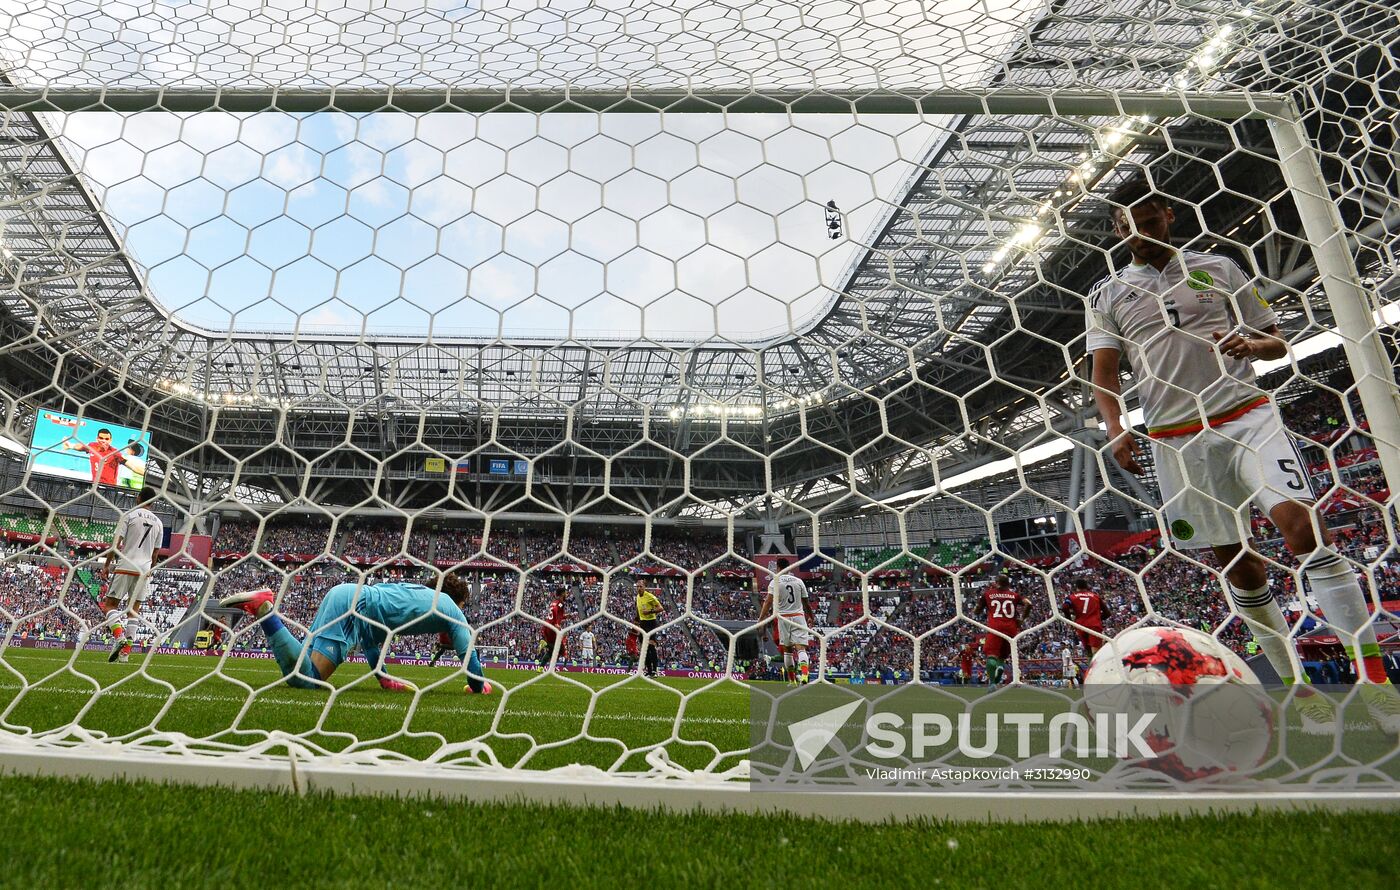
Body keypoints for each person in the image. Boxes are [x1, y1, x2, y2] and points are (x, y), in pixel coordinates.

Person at [1086, 180, 1400, 733]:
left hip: (1247, 415)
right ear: (1117, 230)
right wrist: (1116, 430)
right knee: (1237, 563)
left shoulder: (1221, 267)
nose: (1139, 230)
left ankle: (1375, 681)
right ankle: (1301, 692)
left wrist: (1252, 346)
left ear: (1169, 214)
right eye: (1126, 223)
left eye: (1148, 218)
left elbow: (1275, 340)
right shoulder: (1108, 294)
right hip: (1176, 439)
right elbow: (1105, 376)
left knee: (1302, 531)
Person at [219, 573, 492, 694]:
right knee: (307, 681)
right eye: (463, 607)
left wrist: (384, 680)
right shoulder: (450, 609)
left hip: (347, 595)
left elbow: (372, 643)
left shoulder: (415, 595)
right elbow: (469, 656)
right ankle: (265, 610)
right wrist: (479, 687)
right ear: (457, 601)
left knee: (302, 668)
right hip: (353, 607)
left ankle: (265, 609)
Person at [100, 486, 163, 663]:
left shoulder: (129, 515)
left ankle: (119, 637)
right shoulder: (158, 523)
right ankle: (125, 654)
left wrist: (106, 565)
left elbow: (115, 544)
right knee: (133, 612)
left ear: (139, 498)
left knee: (110, 605)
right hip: (145, 569)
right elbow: (155, 554)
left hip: (126, 564)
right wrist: (149, 569)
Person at [758, 558, 813, 684]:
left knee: (787, 651)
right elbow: (806, 603)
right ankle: (804, 675)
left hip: (783, 618)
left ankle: (792, 680)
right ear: (789, 568)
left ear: (777, 567)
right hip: (798, 617)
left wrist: (761, 618)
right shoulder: (799, 581)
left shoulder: (774, 582)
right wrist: (811, 617)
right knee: (801, 649)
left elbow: (768, 601)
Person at [974, 571, 1030, 685]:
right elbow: (1029, 603)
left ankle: (992, 683)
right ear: (1008, 584)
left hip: (995, 627)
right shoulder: (1014, 595)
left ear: (996, 583)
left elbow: (977, 611)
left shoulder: (988, 594)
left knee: (991, 655)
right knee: (1002, 656)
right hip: (1011, 628)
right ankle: (1000, 668)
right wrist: (1022, 619)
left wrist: (978, 608)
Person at [61, 427, 127, 487]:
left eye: (106, 439)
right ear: (97, 438)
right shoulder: (92, 446)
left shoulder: (115, 453)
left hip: (109, 488)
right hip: (94, 486)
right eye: (101, 438)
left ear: (110, 440)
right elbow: (82, 447)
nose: (104, 441)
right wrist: (70, 445)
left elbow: (130, 464)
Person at [1061, 578, 1107, 658]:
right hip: (1094, 625)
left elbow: (1065, 607)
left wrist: (1070, 621)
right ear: (1087, 586)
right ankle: (1097, 669)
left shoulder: (1071, 597)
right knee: (1096, 652)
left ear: (1076, 587)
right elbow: (1107, 613)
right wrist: (1097, 619)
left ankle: (1090, 668)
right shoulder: (1095, 596)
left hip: (1081, 625)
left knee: (1088, 651)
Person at [634, 578, 665, 677]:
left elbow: (661, 608)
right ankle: (649, 670)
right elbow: (638, 611)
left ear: (644, 587)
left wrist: (650, 611)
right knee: (644, 648)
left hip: (651, 623)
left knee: (651, 647)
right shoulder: (638, 597)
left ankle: (656, 670)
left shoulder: (650, 596)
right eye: (637, 586)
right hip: (643, 623)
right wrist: (637, 622)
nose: (639, 588)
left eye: (641, 586)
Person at [538, 586, 569, 668]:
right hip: (553, 628)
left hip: (547, 626)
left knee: (551, 651)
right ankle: (545, 644)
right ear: (562, 594)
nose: (567, 594)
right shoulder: (561, 603)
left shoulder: (553, 602)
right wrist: (556, 623)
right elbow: (555, 610)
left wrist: (566, 616)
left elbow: (558, 615)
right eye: (566, 593)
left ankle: (541, 667)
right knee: (559, 649)